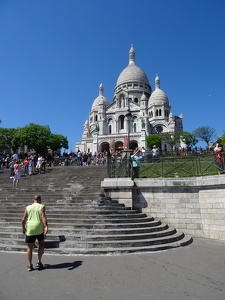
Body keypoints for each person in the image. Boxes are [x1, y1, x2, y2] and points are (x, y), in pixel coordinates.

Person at [21, 195, 48, 272]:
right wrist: (46, 226)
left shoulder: (28, 207)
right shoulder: (42, 206)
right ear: (40, 200)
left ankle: (30, 265)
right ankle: (39, 262)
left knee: (29, 247)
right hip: (39, 228)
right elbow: (43, 216)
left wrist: (23, 228)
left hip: (30, 228)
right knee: (41, 243)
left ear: (33, 200)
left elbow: (23, 219)